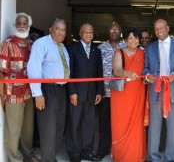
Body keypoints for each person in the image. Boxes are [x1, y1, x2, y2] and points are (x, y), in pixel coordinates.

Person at [143, 19, 174, 162]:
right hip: (156, 90)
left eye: (161, 27)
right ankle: (153, 158)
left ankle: (170, 158)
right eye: (156, 28)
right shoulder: (150, 47)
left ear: (168, 28)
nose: (159, 31)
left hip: (173, 89)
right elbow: (145, 68)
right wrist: (147, 76)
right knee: (154, 128)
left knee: (173, 129)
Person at [27, 18, 69, 162]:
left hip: (61, 90)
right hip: (47, 89)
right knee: (48, 127)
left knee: (59, 126)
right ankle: (47, 159)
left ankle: (51, 156)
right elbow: (34, 68)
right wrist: (37, 93)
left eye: (63, 30)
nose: (61, 32)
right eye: (58, 28)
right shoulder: (41, 43)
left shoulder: (62, 47)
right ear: (51, 29)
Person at [0, 13, 40, 162]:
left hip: (29, 91)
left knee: (27, 129)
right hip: (13, 93)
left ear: (29, 26)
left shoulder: (31, 44)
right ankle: (15, 158)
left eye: (25, 24)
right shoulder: (8, 43)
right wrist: (2, 95)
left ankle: (28, 154)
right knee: (14, 128)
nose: (22, 26)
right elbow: (1, 71)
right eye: (19, 23)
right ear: (14, 25)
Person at [65, 23, 103, 162]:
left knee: (89, 124)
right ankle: (74, 153)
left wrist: (100, 91)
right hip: (76, 93)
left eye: (91, 32)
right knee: (74, 123)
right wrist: (72, 92)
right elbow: (69, 72)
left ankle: (86, 152)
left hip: (92, 94)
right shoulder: (72, 49)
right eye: (85, 32)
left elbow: (100, 72)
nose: (88, 34)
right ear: (80, 34)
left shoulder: (96, 51)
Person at [110, 28, 146, 161]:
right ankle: (121, 156)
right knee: (121, 124)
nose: (133, 41)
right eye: (130, 38)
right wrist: (127, 73)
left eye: (136, 38)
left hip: (138, 92)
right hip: (121, 94)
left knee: (136, 124)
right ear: (125, 40)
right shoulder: (119, 52)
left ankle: (135, 156)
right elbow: (117, 69)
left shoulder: (143, 53)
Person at [96, 22, 126, 159]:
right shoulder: (100, 48)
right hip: (105, 93)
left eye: (116, 30)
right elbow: (95, 70)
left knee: (121, 124)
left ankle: (119, 151)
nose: (114, 32)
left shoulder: (126, 47)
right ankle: (102, 150)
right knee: (104, 123)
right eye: (111, 29)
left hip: (122, 93)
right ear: (108, 32)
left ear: (120, 32)